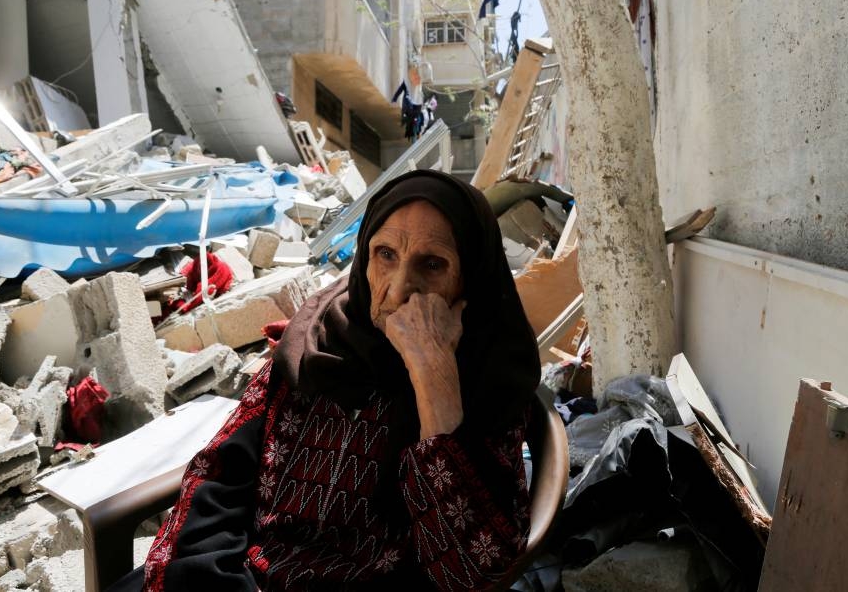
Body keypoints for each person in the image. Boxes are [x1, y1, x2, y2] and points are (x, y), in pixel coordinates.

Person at [113, 169, 541, 591]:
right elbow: (222, 474)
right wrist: (215, 577)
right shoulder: (318, 344)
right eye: (385, 254)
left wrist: (433, 376)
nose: (398, 291)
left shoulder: (488, 382)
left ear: (471, 279)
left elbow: (469, 573)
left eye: (432, 265)